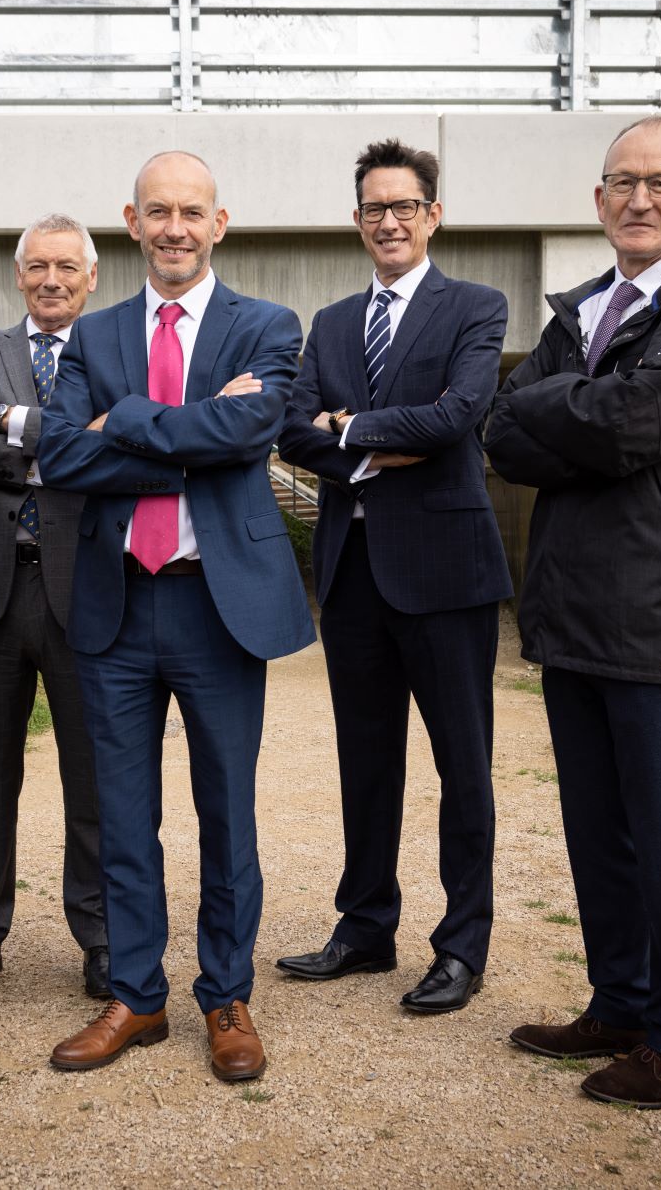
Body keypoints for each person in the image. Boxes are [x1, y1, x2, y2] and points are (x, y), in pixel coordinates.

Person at [484, 115, 661, 1109]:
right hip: (571, 609)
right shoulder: (583, 307)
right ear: (598, 199)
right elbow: (504, 433)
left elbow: (644, 418)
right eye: (620, 182)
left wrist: (575, 412)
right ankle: (621, 1001)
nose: (638, 199)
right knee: (596, 826)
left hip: (657, 610)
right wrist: (588, 415)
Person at [37, 151, 314, 1083]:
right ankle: (137, 994)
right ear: (132, 219)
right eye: (158, 211)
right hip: (115, 603)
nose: (176, 228)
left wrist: (125, 421)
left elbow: (250, 433)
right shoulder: (94, 332)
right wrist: (191, 433)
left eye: (192, 211)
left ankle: (226, 994)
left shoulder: (266, 326)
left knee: (224, 811)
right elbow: (62, 459)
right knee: (122, 813)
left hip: (216, 602)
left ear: (219, 222)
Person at [276, 138, 512, 1016]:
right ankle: (366, 927)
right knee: (365, 760)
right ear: (357, 219)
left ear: (433, 214)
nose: (389, 220)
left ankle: (462, 946)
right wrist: (374, 443)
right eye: (375, 208)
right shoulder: (332, 322)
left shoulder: (475, 306)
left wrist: (349, 427)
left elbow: (456, 416)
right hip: (354, 574)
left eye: (404, 206)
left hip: (447, 574)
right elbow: (291, 429)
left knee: (464, 765)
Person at [0, 213, 109, 999]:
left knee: (95, 775)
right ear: (18, 276)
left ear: (92, 278)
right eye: (37, 266)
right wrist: (69, 443)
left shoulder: (115, 349)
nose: (51, 279)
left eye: (66, 266)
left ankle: (101, 934)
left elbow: (122, 441)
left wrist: (13, 431)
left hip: (86, 590)